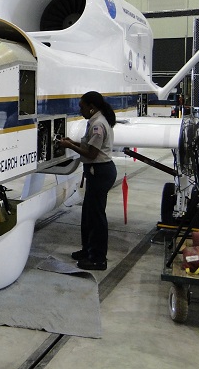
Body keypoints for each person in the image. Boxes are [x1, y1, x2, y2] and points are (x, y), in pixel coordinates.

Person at [59, 91, 117, 270]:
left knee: (97, 217)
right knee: (88, 215)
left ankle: (98, 259)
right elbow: (89, 146)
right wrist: (73, 142)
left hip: (100, 172)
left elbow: (92, 154)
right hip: (95, 172)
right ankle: (88, 250)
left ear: (91, 107)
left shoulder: (98, 125)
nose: (80, 110)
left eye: (82, 107)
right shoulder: (94, 121)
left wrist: (70, 146)